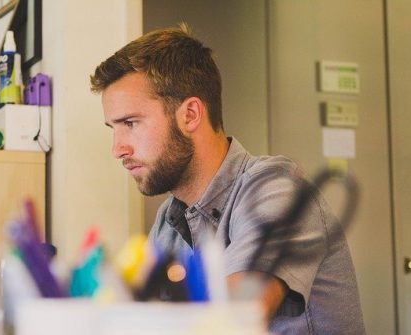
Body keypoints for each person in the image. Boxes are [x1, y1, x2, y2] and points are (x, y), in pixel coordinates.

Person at [91, 25, 365, 334]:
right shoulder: (168, 222)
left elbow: (235, 319)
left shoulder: (277, 189)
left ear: (191, 114)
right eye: (112, 128)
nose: (118, 149)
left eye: (130, 123)